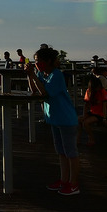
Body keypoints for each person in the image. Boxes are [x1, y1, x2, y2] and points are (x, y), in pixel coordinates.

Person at [25, 46, 81, 195]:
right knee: (61, 151)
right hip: (55, 118)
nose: (36, 64)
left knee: (71, 152)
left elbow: (45, 92)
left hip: (66, 119)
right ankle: (64, 180)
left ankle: (74, 184)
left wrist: (34, 75)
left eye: (38, 61)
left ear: (48, 61)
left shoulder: (56, 75)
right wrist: (30, 75)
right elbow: (35, 90)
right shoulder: (43, 74)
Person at [80, 73, 107, 147]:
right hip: (93, 112)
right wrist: (84, 115)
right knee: (79, 121)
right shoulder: (88, 92)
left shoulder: (102, 92)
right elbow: (86, 105)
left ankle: (91, 138)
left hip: (101, 114)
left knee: (86, 123)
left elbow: (105, 106)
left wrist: (105, 118)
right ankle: (77, 139)